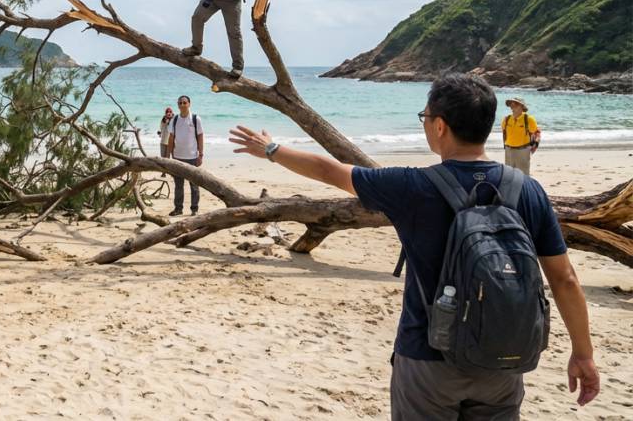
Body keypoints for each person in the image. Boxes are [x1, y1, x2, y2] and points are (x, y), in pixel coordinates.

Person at [229, 73, 600, 419]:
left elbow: (330, 171)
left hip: (427, 359)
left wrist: (271, 149)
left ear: (440, 126)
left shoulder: (412, 187)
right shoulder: (528, 190)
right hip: (503, 359)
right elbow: (564, 279)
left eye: (425, 117)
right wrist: (583, 354)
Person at [166, 95, 203, 216]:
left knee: (194, 185)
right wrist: (168, 156)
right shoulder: (175, 119)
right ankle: (178, 209)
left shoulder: (196, 119)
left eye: (184, 102)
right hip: (177, 157)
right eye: (180, 103)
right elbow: (171, 137)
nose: (182, 105)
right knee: (178, 186)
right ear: (178, 105)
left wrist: (201, 155)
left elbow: (200, 136)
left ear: (189, 104)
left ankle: (194, 209)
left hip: (192, 157)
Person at [501, 97, 540, 175]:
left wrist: (535, 146)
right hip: (508, 150)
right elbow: (504, 133)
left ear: (522, 106)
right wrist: (505, 146)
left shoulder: (528, 119)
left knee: (523, 176)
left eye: (516, 104)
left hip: (523, 150)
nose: (512, 106)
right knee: (509, 175)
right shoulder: (506, 119)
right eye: (511, 104)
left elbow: (537, 133)